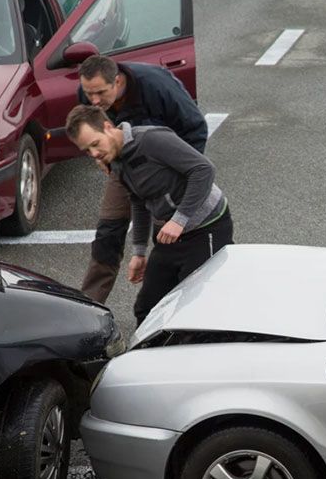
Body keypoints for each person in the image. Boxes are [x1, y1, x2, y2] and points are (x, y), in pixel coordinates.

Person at [65, 105, 233, 324]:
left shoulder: (151, 140)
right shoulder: (115, 160)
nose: (94, 154)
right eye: (87, 150)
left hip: (206, 227)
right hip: (169, 235)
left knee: (194, 307)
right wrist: (139, 252)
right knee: (146, 308)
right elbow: (138, 199)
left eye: (95, 144)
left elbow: (204, 170)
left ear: (107, 127)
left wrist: (179, 220)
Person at [76, 55, 208, 304]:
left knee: (168, 238)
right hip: (123, 165)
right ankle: (88, 308)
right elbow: (89, 130)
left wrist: (179, 178)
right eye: (88, 93)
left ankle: (177, 306)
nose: (94, 101)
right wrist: (104, 159)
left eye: (100, 93)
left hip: (165, 166)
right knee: (107, 234)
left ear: (117, 81)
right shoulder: (89, 94)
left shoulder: (157, 87)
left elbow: (196, 129)